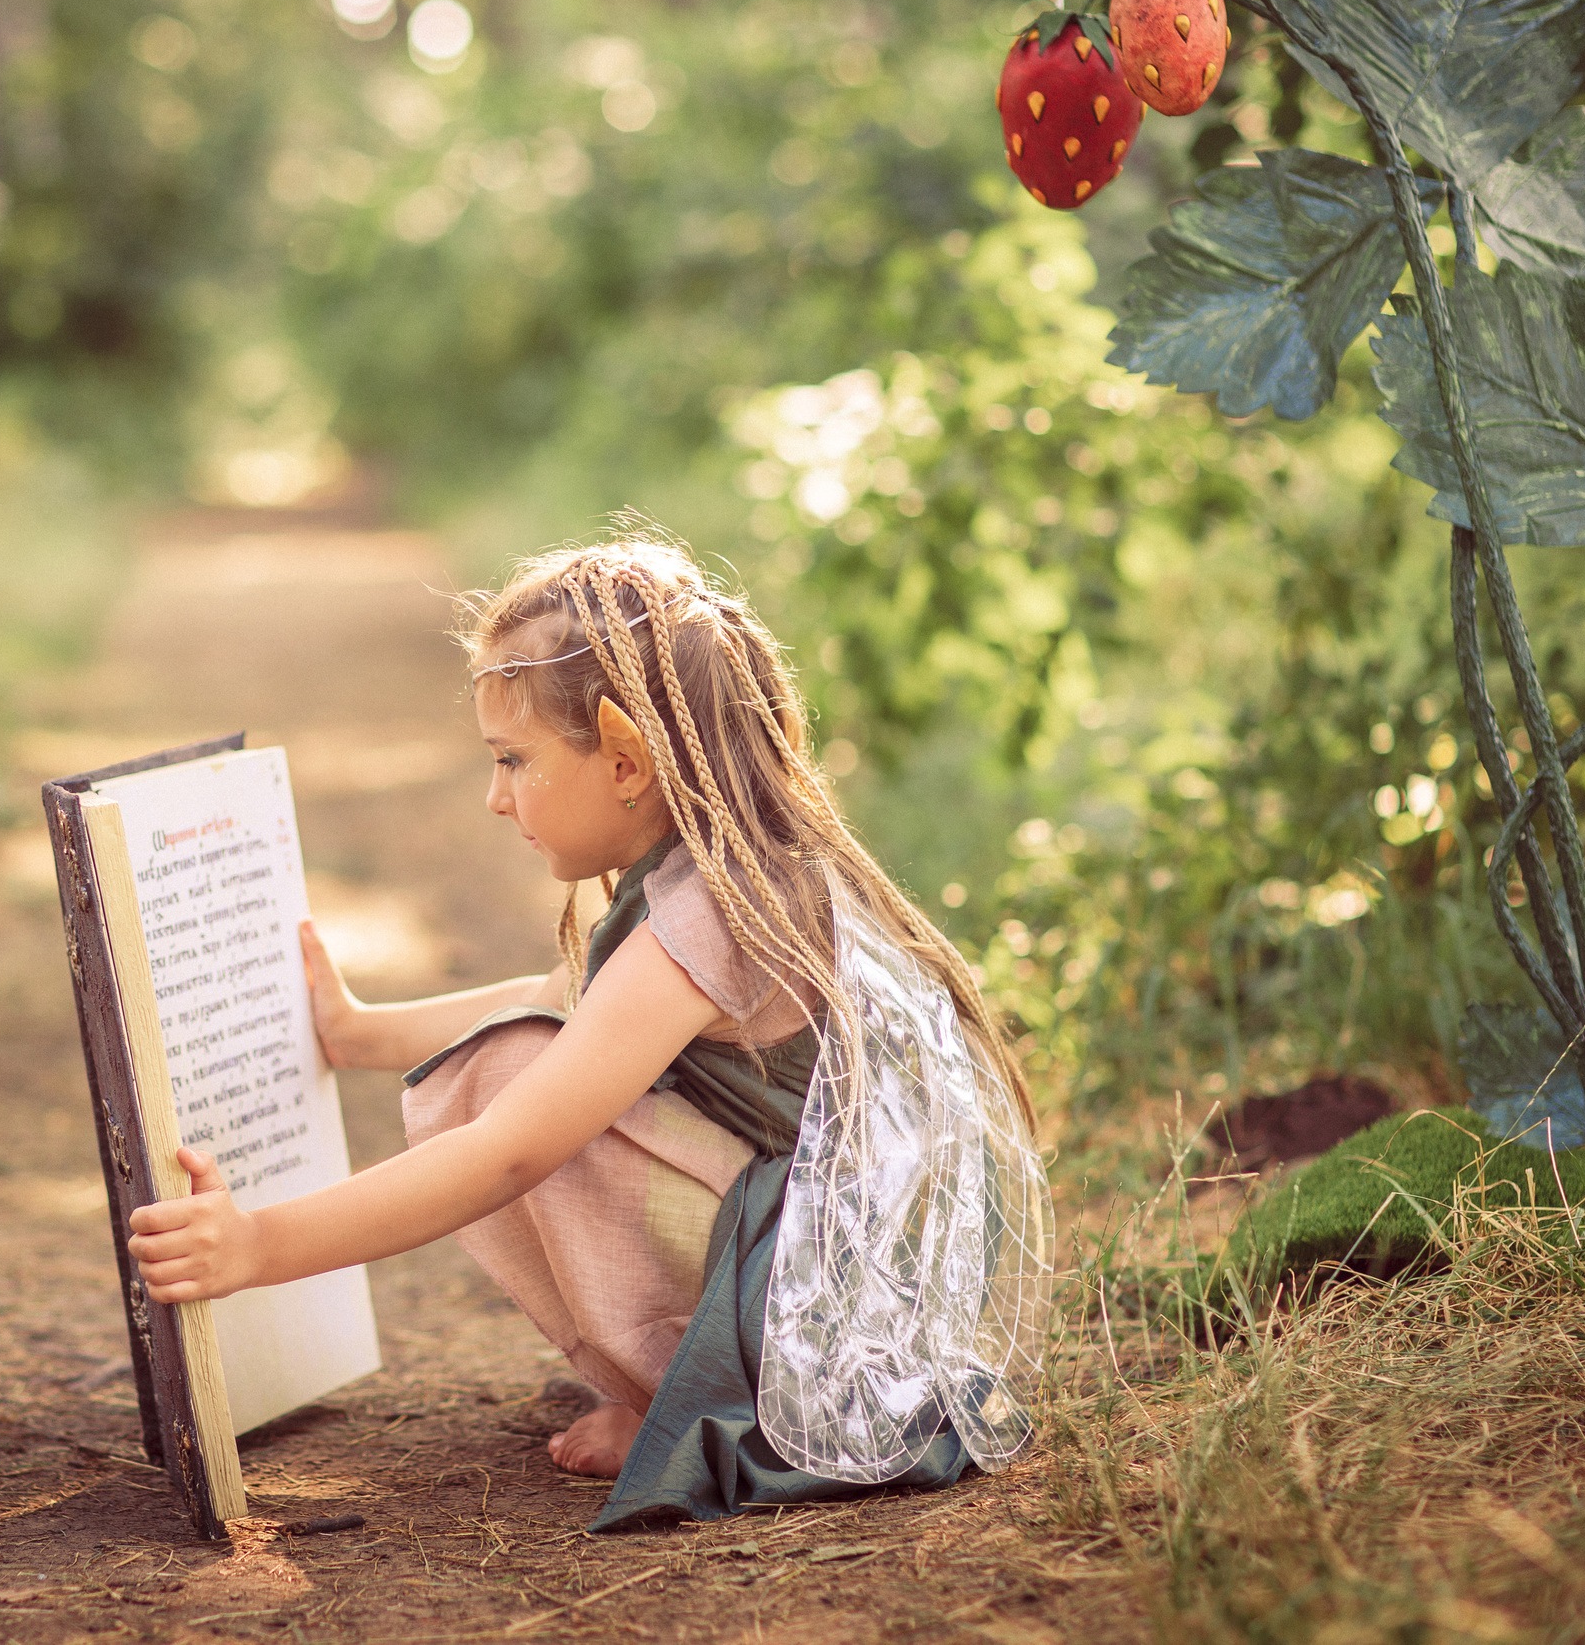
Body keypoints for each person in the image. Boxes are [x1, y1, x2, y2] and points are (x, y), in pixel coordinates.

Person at [126, 535, 1042, 1528]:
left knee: (509, 1080)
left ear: (623, 761)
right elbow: (567, 994)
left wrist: (257, 1244)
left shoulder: (715, 908)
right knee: (532, 1048)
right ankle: (673, 1375)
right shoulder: (721, 866)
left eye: (513, 760)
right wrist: (356, 1031)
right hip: (837, 1260)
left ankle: (684, 1401)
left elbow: (513, 1149)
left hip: (829, 1296)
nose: (496, 794)